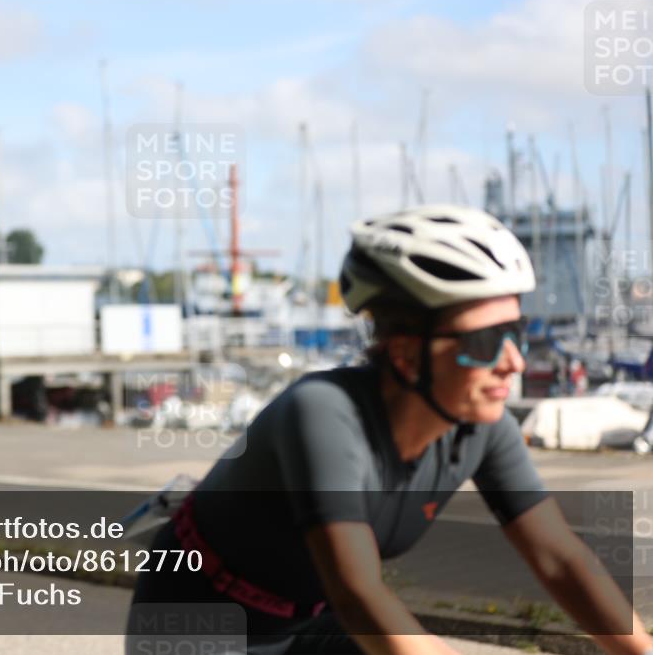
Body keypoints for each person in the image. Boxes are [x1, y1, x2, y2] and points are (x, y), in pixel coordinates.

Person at [129, 206, 653, 655]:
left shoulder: (479, 427)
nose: (514, 361)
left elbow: (560, 560)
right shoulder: (323, 413)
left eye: (515, 332)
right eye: (485, 341)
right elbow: (358, 592)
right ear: (405, 352)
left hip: (307, 624)